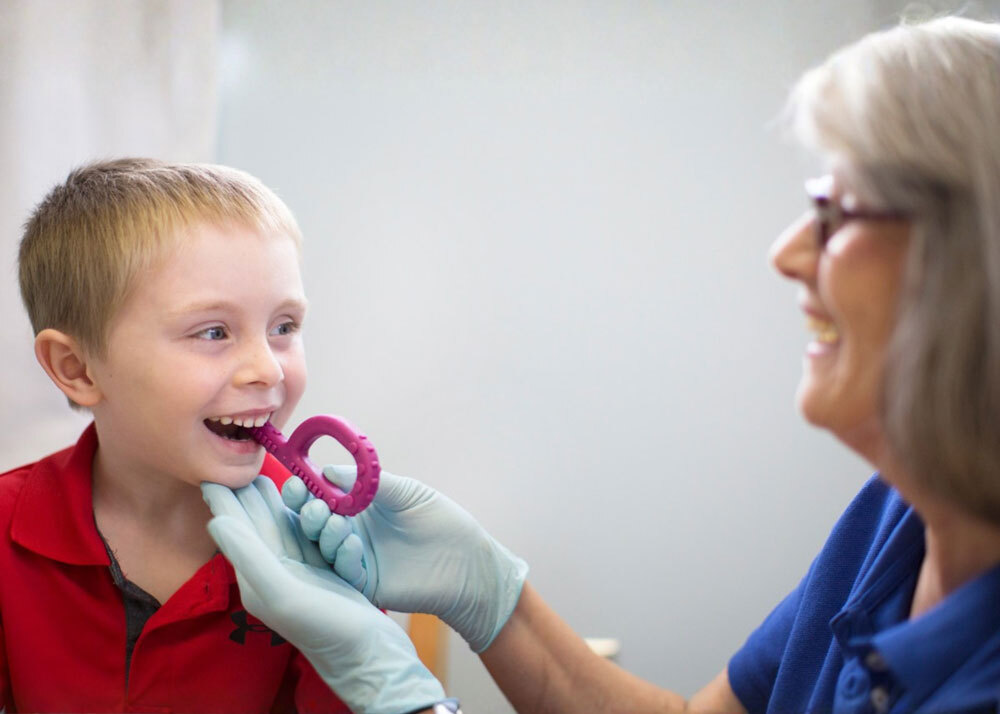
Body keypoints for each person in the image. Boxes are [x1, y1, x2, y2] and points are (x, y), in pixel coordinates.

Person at [203, 15, 1000, 714]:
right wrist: (489, 596)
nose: (787, 252)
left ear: (974, 259)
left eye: (836, 210)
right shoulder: (891, 518)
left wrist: (404, 696)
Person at [1, 159, 447, 714]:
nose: (269, 369)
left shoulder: (327, 546)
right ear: (78, 369)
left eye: (284, 327)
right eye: (213, 331)